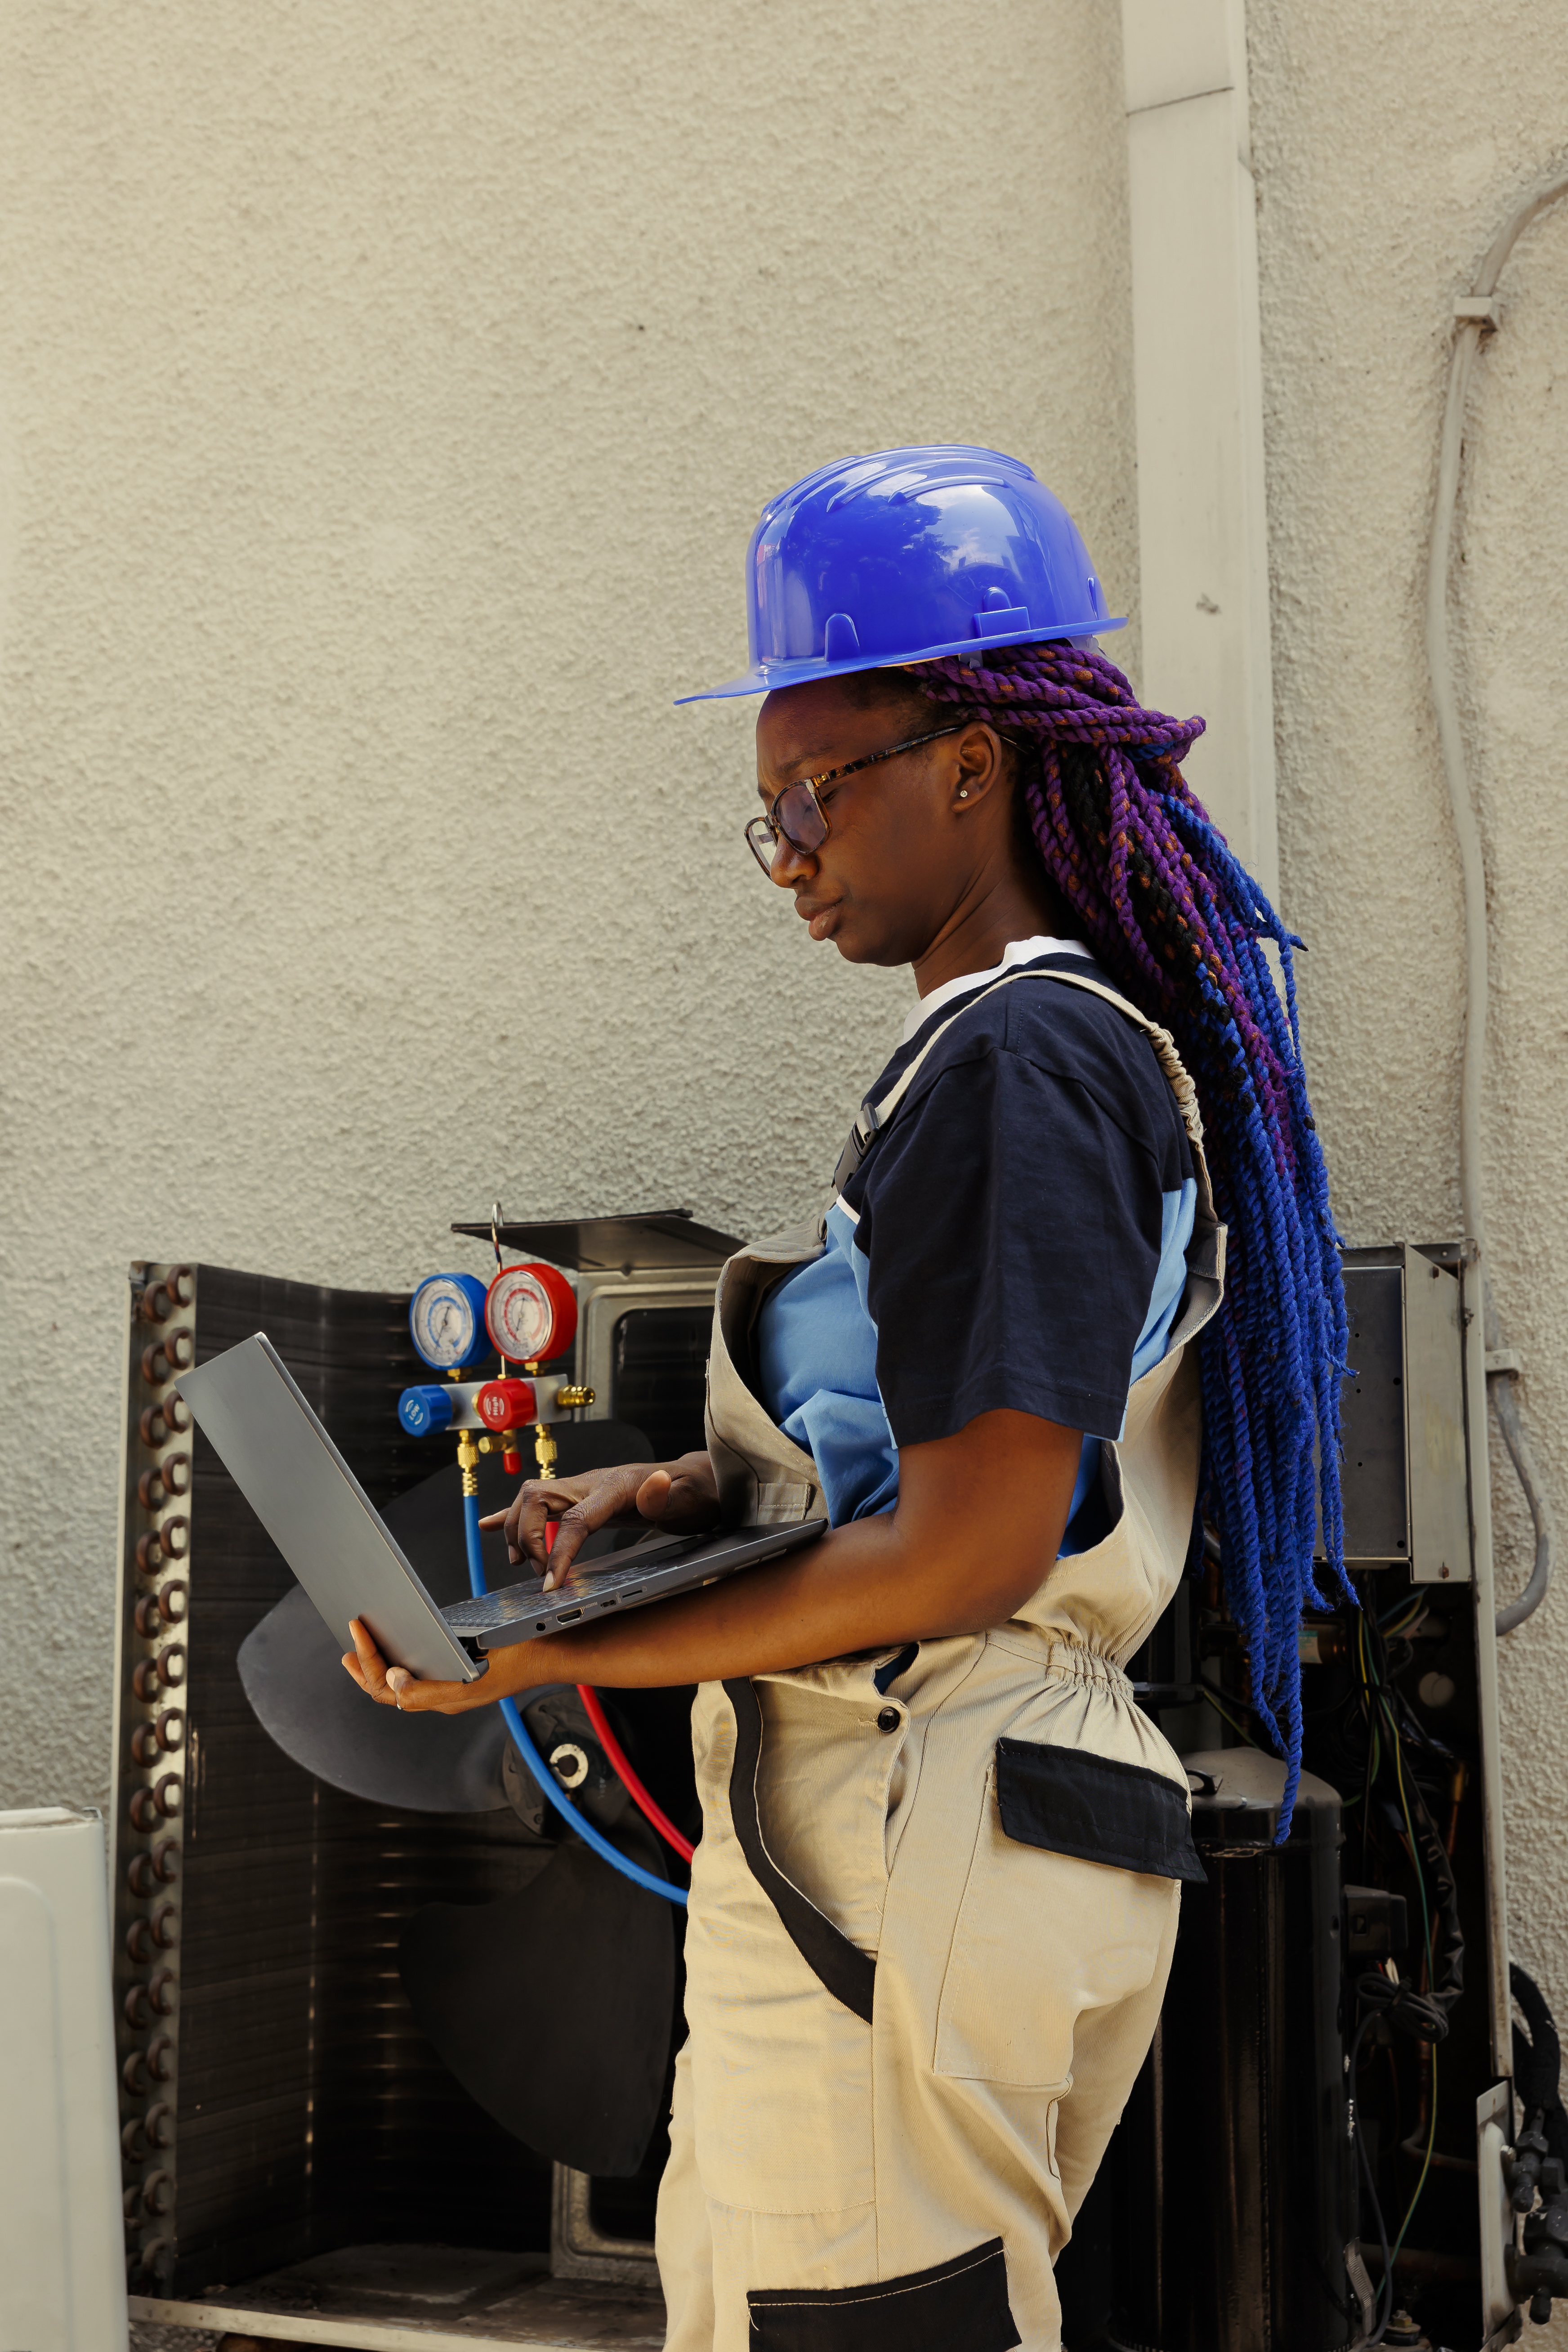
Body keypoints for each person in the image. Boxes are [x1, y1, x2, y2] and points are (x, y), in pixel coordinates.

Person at [344, 445, 1346, 2351]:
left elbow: (970, 1544)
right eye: (766, 812)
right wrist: (686, 1497)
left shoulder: (1019, 1061)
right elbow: (950, 1463)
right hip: (915, 1814)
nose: (789, 848)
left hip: (915, 1798)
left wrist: (552, 1661)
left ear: (973, 760)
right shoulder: (1004, 1059)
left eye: (817, 788)